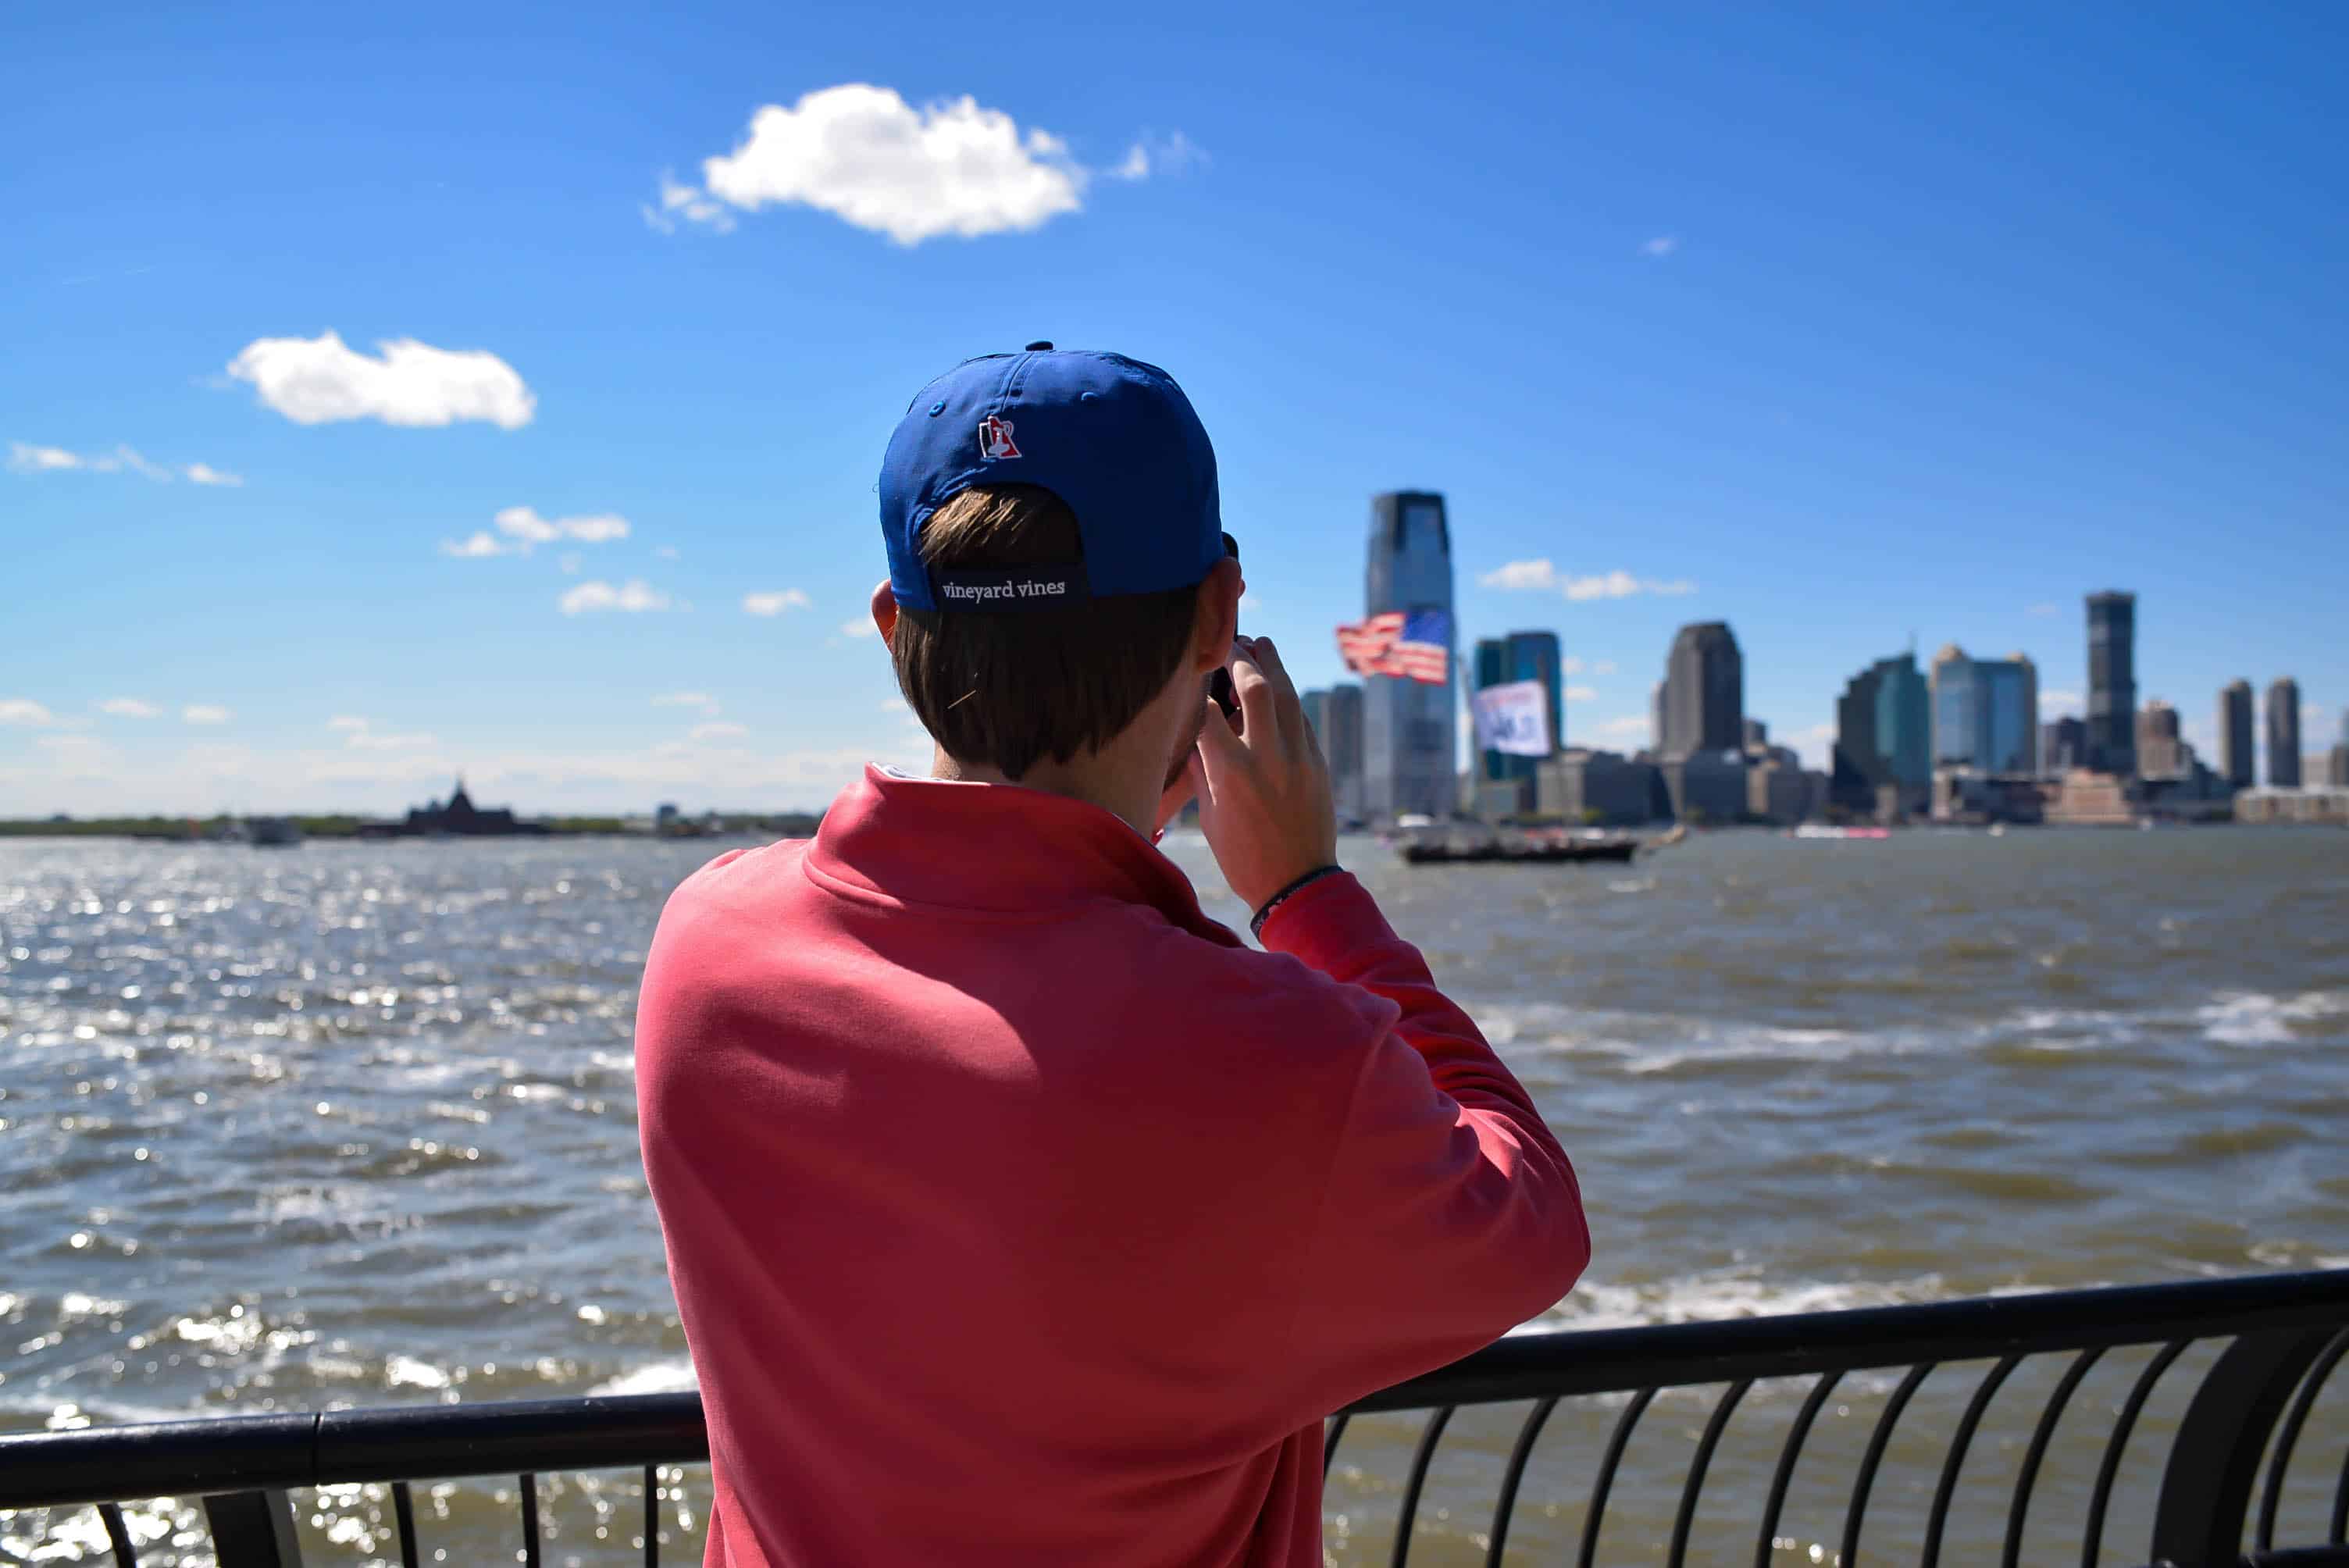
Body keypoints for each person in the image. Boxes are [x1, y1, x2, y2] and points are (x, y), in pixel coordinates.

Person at [635, 345, 1590, 1567]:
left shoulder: (706, 946)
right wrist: (1307, 891)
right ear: (1219, 612)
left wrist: (1097, 835)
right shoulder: (1275, 1054)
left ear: (893, 626)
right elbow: (1532, 1222)